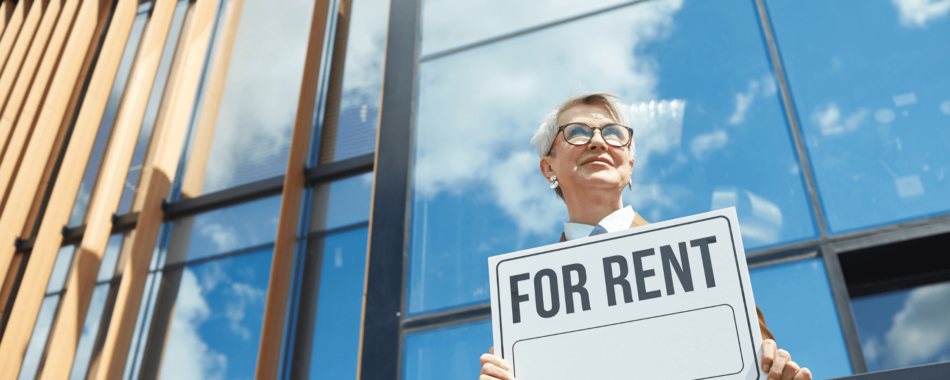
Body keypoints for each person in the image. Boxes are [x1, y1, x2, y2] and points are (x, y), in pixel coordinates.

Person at [478, 93, 812, 380]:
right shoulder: (527, 307)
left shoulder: (704, 261)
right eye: (577, 132)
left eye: (613, 133)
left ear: (630, 163)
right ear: (549, 168)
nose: (598, 142)